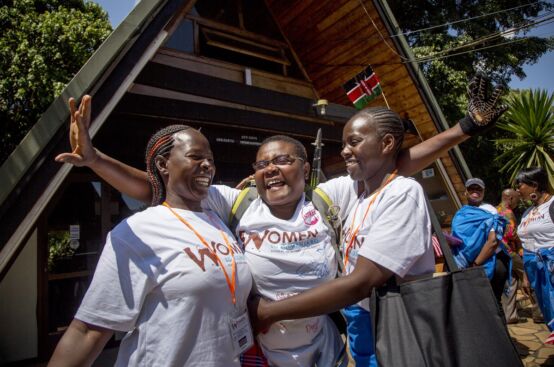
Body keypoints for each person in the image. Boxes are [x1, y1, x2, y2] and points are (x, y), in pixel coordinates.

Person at [55, 75, 504, 366]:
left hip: (328, 352)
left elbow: (392, 165)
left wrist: (464, 127)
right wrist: (95, 162)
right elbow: (157, 186)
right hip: (259, 355)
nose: (271, 169)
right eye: (262, 163)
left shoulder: (328, 198)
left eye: (283, 160)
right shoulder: (237, 203)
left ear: (306, 171)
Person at [48, 122, 253, 366]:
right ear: (163, 164)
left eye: (210, 159)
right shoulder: (137, 232)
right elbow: (88, 331)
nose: (207, 165)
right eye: (195, 157)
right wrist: (95, 159)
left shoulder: (217, 211)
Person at [248, 107, 435, 348]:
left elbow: (362, 282)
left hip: (398, 326)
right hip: (361, 323)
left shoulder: (403, 193)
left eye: (354, 142)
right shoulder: (359, 197)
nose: (344, 151)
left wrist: (267, 312)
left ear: (387, 143)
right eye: (262, 164)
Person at [450, 178, 509, 314]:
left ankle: (500, 335)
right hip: (473, 264)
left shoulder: (489, 210)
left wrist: (476, 264)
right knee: (482, 307)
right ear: (465, 192)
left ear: (483, 192)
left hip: (491, 263)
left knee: (492, 305)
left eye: (479, 189)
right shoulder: (462, 213)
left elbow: (493, 241)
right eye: (472, 188)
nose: (475, 191)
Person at [515, 167, 554, 344]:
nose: (517, 190)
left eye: (519, 185)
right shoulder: (527, 213)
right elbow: (527, 244)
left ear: (534, 185)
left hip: (551, 266)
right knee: (549, 310)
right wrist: (526, 277)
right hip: (535, 270)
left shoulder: (552, 205)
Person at [497, 188, 524, 324]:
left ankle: (511, 316)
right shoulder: (508, 213)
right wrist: (520, 246)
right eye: (517, 200)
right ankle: (539, 312)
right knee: (529, 276)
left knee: (511, 281)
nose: (517, 203)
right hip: (511, 251)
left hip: (501, 252)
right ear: (511, 198)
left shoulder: (495, 210)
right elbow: (512, 235)